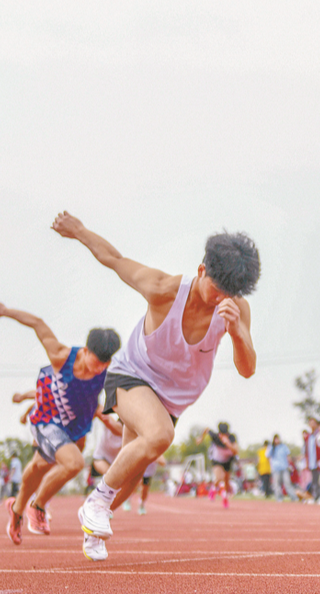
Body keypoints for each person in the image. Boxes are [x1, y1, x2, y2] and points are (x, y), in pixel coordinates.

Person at [53, 211, 259, 561]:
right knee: (160, 435)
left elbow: (247, 369)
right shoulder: (163, 290)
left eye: (229, 294)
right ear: (201, 270)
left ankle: (93, 526)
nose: (218, 299)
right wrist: (80, 232)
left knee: (131, 473)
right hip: (132, 374)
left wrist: (238, 333)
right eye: (216, 288)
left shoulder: (235, 309)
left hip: (171, 399)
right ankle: (95, 503)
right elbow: (114, 260)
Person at [0, 302, 119, 546]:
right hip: (47, 421)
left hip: (75, 427)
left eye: (105, 363)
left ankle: (16, 510)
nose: (100, 368)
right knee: (73, 463)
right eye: (97, 362)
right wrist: (6, 312)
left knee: (40, 466)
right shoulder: (62, 356)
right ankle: (36, 506)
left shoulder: (107, 369)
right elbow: (38, 324)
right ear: (86, 351)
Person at [199, 423, 239, 509]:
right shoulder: (215, 437)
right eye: (222, 434)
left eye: (225, 434)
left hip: (227, 460)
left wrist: (228, 444)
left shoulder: (231, 438)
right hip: (217, 460)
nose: (223, 436)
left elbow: (236, 451)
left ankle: (225, 498)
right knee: (220, 477)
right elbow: (207, 429)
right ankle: (213, 490)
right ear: (219, 433)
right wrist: (200, 438)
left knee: (227, 483)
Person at [268, 434, 296, 501]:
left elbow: (288, 456)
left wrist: (290, 465)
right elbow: (268, 456)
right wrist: (271, 465)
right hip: (276, 468)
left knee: (287, 482)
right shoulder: (271, 447)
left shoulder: (284, 447)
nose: (277, 440)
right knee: (276, 484)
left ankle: (294, 497)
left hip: (284, 467)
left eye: (278, 439)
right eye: (275, 439)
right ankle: (279, 498)